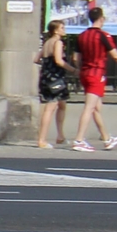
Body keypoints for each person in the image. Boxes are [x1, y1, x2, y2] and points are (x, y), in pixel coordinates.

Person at [70, 5, 117, 152]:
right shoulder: (104, 35)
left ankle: (106, 138)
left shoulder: (82, 35)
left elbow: (75, 58)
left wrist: (81, 68)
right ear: (101, 19)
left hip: (85, 73)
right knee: (90, 107)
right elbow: (115, 55)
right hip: (97, 74)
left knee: (96, 108)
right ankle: (79, 140)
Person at [37, 18, 76, 150]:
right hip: (56, 78)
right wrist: (73, 69)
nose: (64, 30)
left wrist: (47, 66)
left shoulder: (47, 42)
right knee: (50, 107)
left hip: (46, 77)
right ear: (55, 30)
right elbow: (59, 61)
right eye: (62, 28)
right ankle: (42, 139)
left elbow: (37, 59)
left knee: (62, 104)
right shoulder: (58, 42)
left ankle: (60, 136)